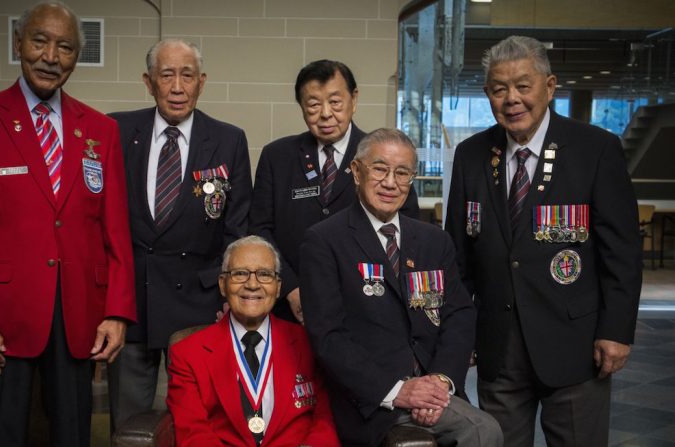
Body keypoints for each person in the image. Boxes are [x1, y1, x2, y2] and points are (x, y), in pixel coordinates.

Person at [0, 2, 136, 446]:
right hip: (0, 323)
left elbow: (116, 231)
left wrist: (117, 312)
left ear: (75, 57)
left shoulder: (101, 131)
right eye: (39, 41)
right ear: (18, 44)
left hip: (79, 317)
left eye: (65, 47)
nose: (50, 56)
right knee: (3, 433)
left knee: (73, 434)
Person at [445, 35, 642, 446]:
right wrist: (460, 333)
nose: (512, 99)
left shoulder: (595, 149)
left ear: (549, 87)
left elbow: (621, 250)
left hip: (576, 344)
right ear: (487, 94)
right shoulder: (470, 154)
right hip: (498, 346)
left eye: (523, 85)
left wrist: (617, 330)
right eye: (499, 89)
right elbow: (458, 255)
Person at [301, 128, 502, 446]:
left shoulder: (435, 241)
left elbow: (459, 315)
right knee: (482, 429)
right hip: (370, 399)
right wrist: (399, 391)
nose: (390, 182)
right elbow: (328, 337)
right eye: (380, 169)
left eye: (402, 172)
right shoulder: (325, 241)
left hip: (431, 386)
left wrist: (439, 383)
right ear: (356, 171)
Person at [108, 38, 252, 431]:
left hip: (200, 304)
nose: (177, 86)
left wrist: (230, 294)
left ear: (201, 82)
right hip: (131, 302)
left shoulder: (228, 139)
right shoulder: (115, 130)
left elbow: (237, 231)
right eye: (166, 75)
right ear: (148, 82)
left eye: (186, 75)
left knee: (199, 421)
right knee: (129, 423)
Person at [250, 59, 420, 325]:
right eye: (314, 104)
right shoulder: (277, 156)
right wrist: (290, 288)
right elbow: (260, 229)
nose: (326, 113)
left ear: (354, 99)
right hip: (291, 308)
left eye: (335, 102)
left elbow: (407, 232)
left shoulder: (382, 155)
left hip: (365, 309)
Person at [167, 235, 340, 446]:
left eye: (264, 274)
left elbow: (326, 420)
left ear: (278, 287)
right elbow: (193, 432)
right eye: (240, 273)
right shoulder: (187, 353)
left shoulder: (310, 343)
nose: (252, 284)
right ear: (222, 284)